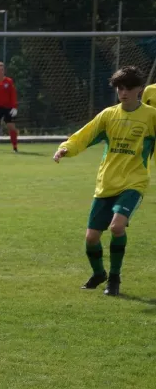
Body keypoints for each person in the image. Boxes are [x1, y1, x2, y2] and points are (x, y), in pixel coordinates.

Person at [53, 66, 156, 296]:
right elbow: (85, 135)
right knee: (91, 238)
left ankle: (115, 279)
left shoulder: (151, 116)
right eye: (120, 88)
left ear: (140, 89)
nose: (124, 92)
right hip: (106, 183)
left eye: (129, 87)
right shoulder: (109, 115)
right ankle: (99, 273)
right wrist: (65, 148)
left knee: (117, 226)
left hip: (134, 183)